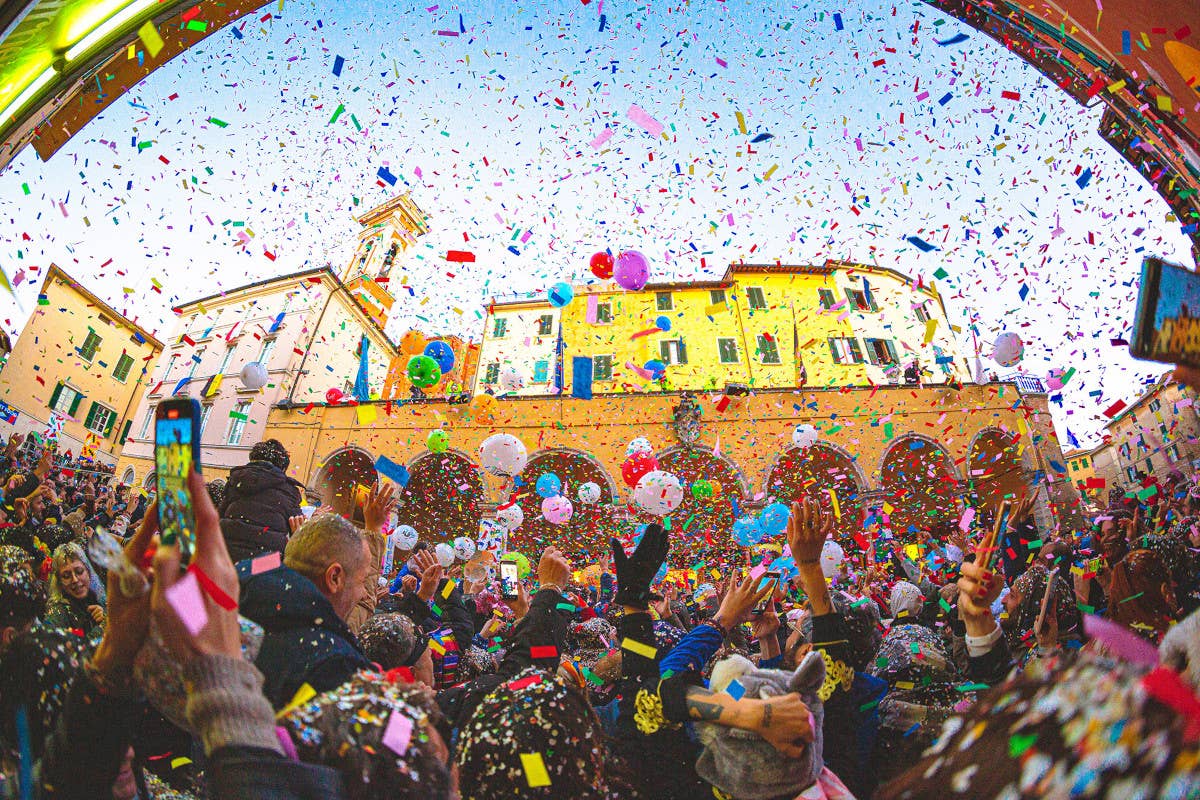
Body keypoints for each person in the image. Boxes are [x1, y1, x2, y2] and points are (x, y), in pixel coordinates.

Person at [237, 505, 377, 709]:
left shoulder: (241, 588)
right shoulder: (336, 666)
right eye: (362, 581)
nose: (364, 592)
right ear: (334, 577)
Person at [219, 439, 305, 563]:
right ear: (282, 467)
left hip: (226, 556)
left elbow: (219, 516)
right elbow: (297, 528)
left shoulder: (236, 481)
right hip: (263, 564)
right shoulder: (288, 490)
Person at [43, 542, 106, 636]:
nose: (75, 580)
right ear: (59, 581)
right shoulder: (57, 614)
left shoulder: (99, 599)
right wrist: (103, 627)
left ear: (88, 572)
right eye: (66, 576)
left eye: (79, 572)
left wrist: (104, 616)